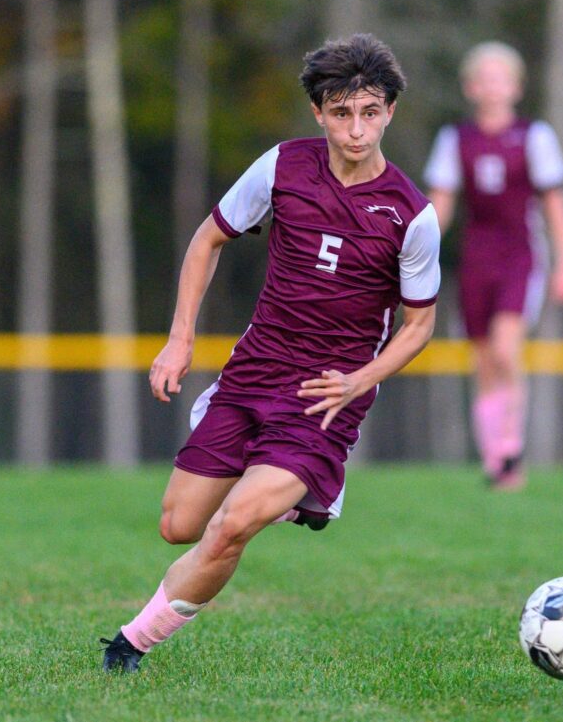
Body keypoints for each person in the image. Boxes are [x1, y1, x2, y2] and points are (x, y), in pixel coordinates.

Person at [100, 34, 441, 672]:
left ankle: (130, 645)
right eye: (341, 113)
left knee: (231, 527)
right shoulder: (282, 166)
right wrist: (180, 340)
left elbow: (419, 325)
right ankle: (295, 501)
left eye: (370, 112)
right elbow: (207, 240)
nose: (356, 129)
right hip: (253, 373)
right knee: (179, 525)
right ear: (318, 112)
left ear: (390, 111)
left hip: (324, 397)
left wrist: (357, 383)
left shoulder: (410, 215)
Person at [423, 41, 563, 490]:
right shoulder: (456, 139)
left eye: (502, 78)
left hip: (521, 256)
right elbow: (442, 204)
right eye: (484, 79)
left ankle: (511, 448)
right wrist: (417, 252)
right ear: (471, 88)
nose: (493, 87)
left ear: (516, 87)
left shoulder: (535, 137)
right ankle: (497, 460)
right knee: (484, 360)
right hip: (476, 259)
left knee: (506, 348)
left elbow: (556, 207)